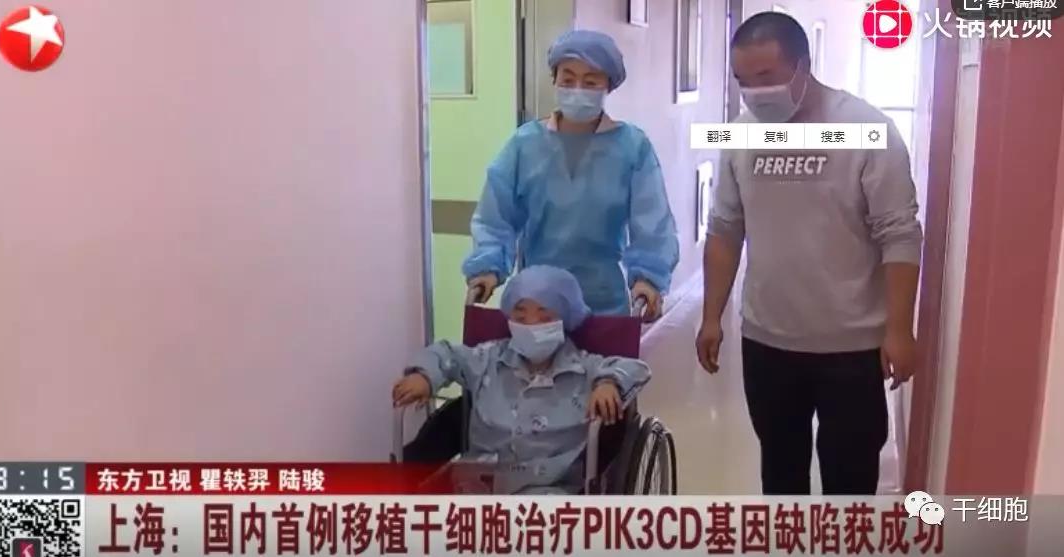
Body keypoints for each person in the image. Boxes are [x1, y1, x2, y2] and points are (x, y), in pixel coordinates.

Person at [695, 12, 923, 495]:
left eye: (766, 77)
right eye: (742, 81)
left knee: (849, 480)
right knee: (781, 475)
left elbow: (900, 234)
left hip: (851, 347)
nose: (755, 93)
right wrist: (711, 316)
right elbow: (725, 229)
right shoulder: (742, 135)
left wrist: (899, 329)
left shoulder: (867, 129)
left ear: (803, 66)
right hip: (767, 341)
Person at [461, 29, 678, 322]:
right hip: (537, 303)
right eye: (568, 79)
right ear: (554, 80)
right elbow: (495, 215)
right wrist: (488, 265)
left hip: (602, 303)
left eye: (590, 82)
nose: (577, 89)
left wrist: (648, 278)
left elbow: (653, 222)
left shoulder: (632, 148)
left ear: (608, 85)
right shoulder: (525, 145)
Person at [392, 265, 651, 494]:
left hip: (547, 488)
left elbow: (635, 369)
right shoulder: (488, 358)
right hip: (477, 484)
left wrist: (608, 383)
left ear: (565, 318)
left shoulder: (585, 369)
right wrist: (424, 375)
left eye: (545, 317)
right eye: (520, 316)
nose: (531, 324)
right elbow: (447, 353)